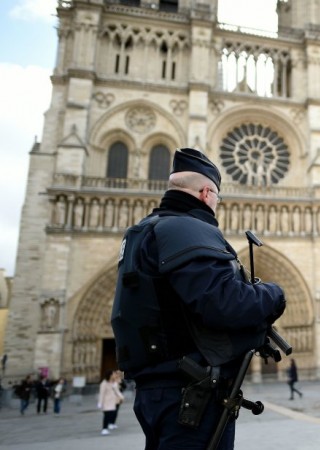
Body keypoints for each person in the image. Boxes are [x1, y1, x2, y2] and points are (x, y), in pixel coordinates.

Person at [110, 148, 286, 449]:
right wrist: (273, 294)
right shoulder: (187, 228)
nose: (217, 204)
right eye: (217, 196)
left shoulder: (142, 231)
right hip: (191, 393)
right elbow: (225, 304)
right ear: (206, 193)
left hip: (157, 389)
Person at [98, 370, 124, 435]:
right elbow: (102, 394)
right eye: (112, 374)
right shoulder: (104, 383)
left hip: (112, 402)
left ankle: (110, 424)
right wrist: (100, 402)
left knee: (112, 413)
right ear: (109, 375)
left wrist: (121, 397)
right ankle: (104, 428)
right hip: (106, 402)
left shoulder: (113, 383)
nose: (114, 375)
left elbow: (117, 391)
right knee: (106, 415)